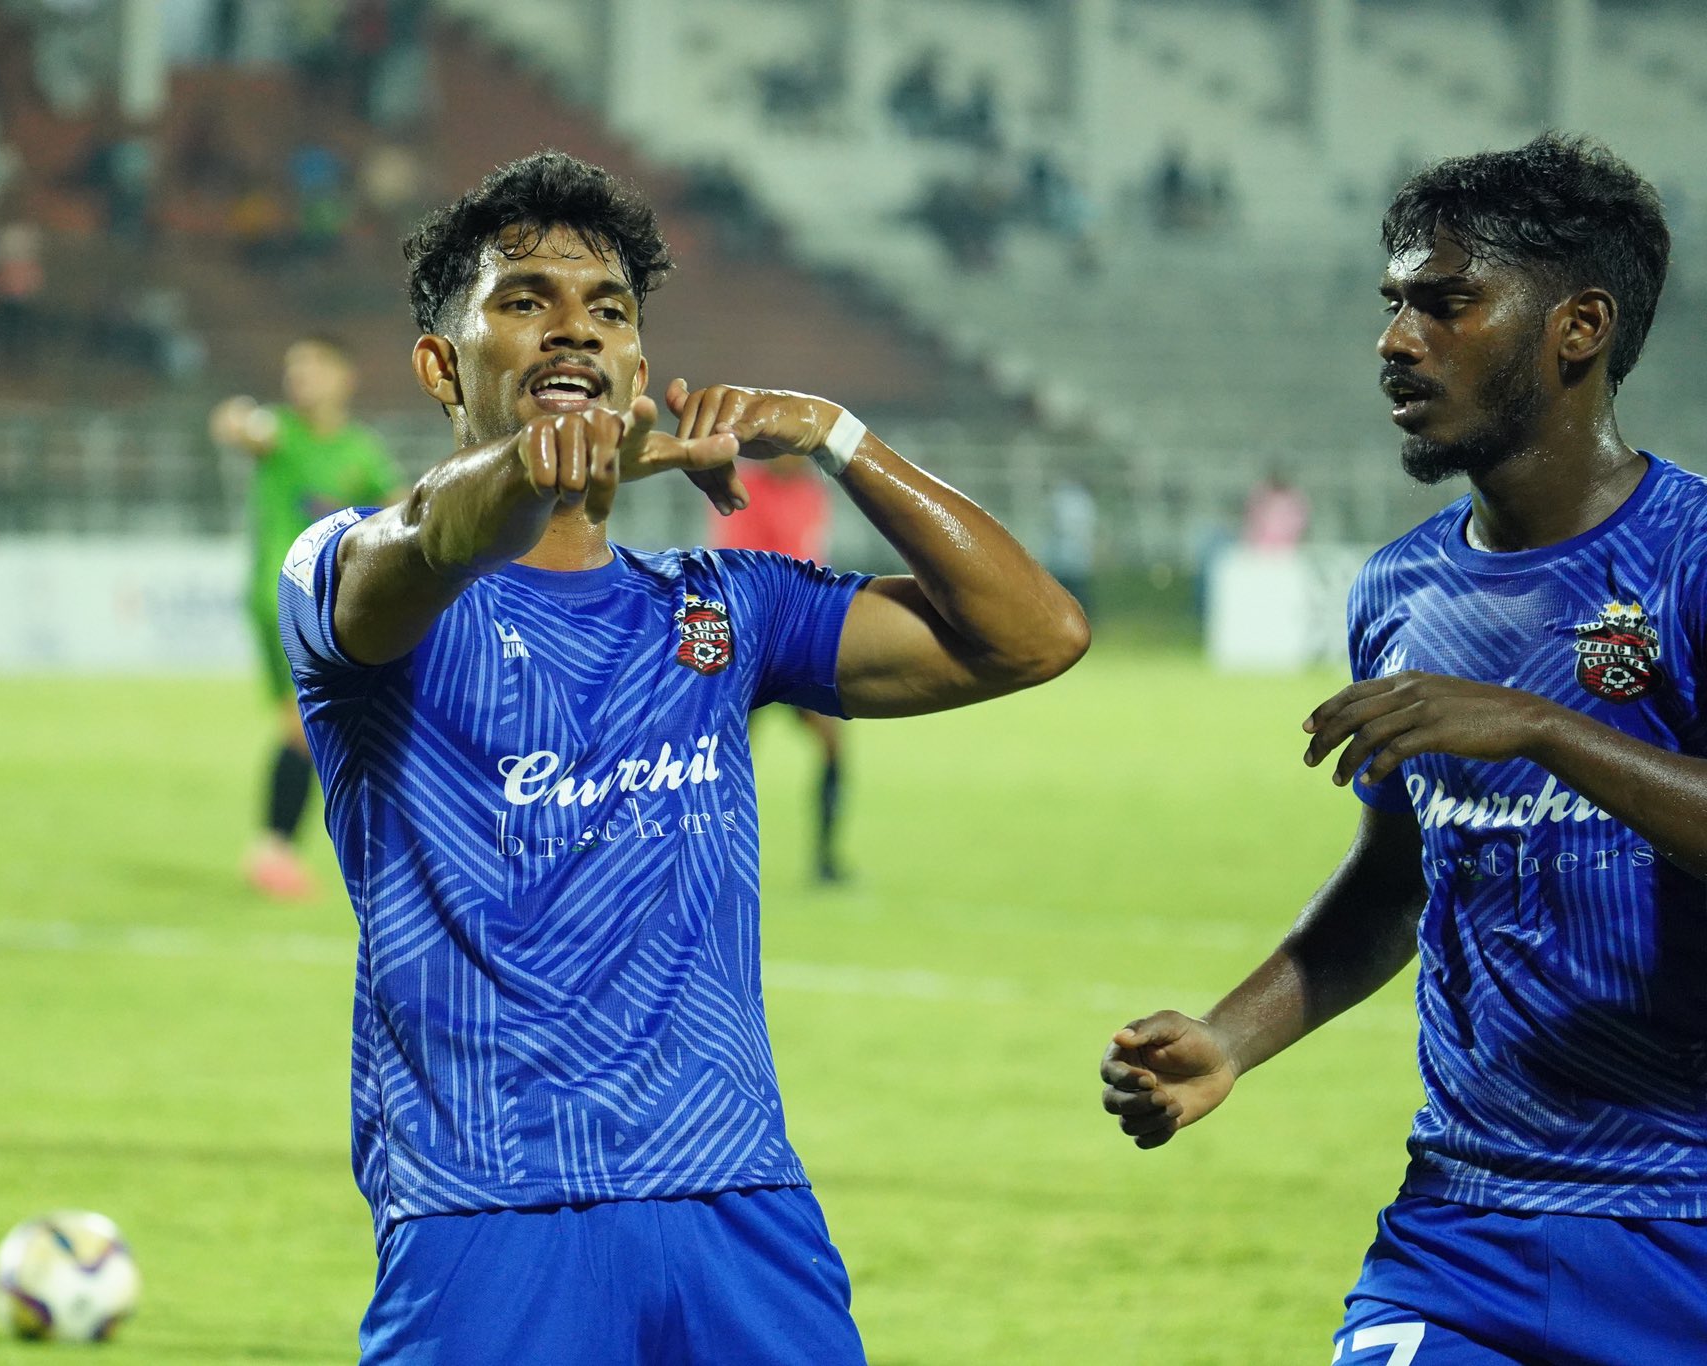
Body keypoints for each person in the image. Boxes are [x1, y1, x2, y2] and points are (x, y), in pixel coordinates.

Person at [278, 152, 1088, 1362]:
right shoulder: (350, 575)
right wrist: (572, 460)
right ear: (442, 366)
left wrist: (832, 434)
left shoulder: (724, 608)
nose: (572, 330)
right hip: (491, 1215)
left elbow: (1037, 635)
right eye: (523, 300)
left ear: (641, 368)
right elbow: (434, 533)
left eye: (607, 310)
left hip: (740, 1204)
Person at [1099, 134, 1704, 1364]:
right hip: (1460, 1228)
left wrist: (1543, 726)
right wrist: (1231, 1036)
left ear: (1575, 327)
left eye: (1444, 302)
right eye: (1391, 304)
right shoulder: (1399, 590)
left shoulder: (1690, 559)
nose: (1394, 340)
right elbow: (1397, 872)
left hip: (1681, 1214)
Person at [211, 333, 400, 901]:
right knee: (311, 724)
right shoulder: (280, 433)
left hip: (329, 602)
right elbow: (233, 424)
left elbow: (397, 506)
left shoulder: (360, 450)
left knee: (318, 724)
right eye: (294, 367)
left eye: (314, 365)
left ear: (345, 376)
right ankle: (274, 850)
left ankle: (281, 849)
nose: (301, 377)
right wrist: (240, 419)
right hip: (283, 600)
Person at [705, 454, 848, 882]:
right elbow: (736, 563)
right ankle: (710, 853)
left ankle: (825, 859)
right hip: (751, 642)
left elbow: (813, 561)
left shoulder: (811, 490)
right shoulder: (744, 487)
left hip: (799, 642)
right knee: (723, 756)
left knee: (832, 745)